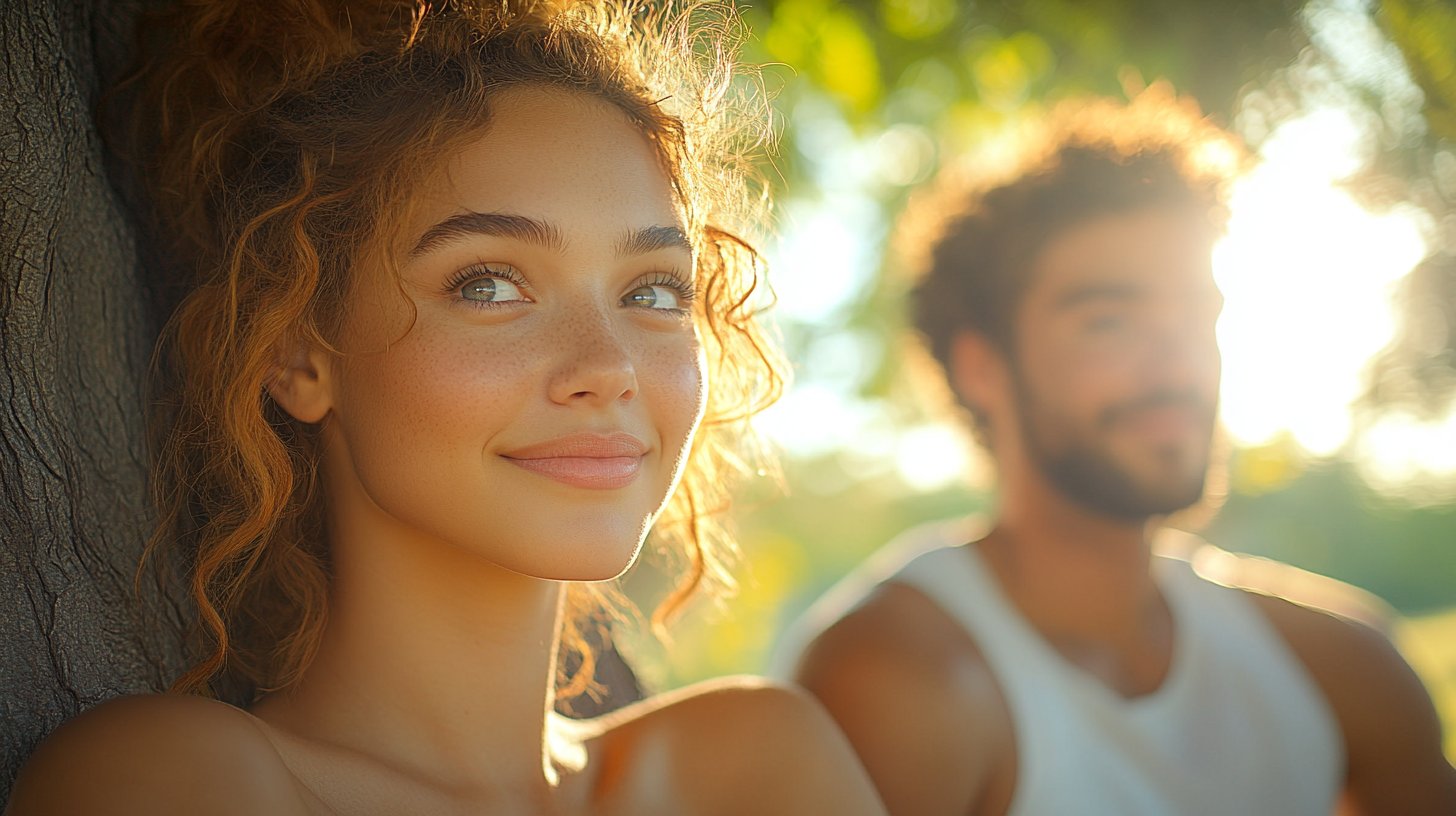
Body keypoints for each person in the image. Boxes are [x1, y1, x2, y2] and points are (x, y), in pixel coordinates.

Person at [5, 1, 886, 813]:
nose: (608, 366)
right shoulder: (174, 783)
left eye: (652, 292)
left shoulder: (757, 767)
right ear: (299, 353)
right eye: (490, 284)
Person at [776, 92, 1456, 815]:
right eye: (1109, 321)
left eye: (1199, 313)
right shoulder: (895, 678)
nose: (1178, 359)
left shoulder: (1341, 661)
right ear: (982, 367)